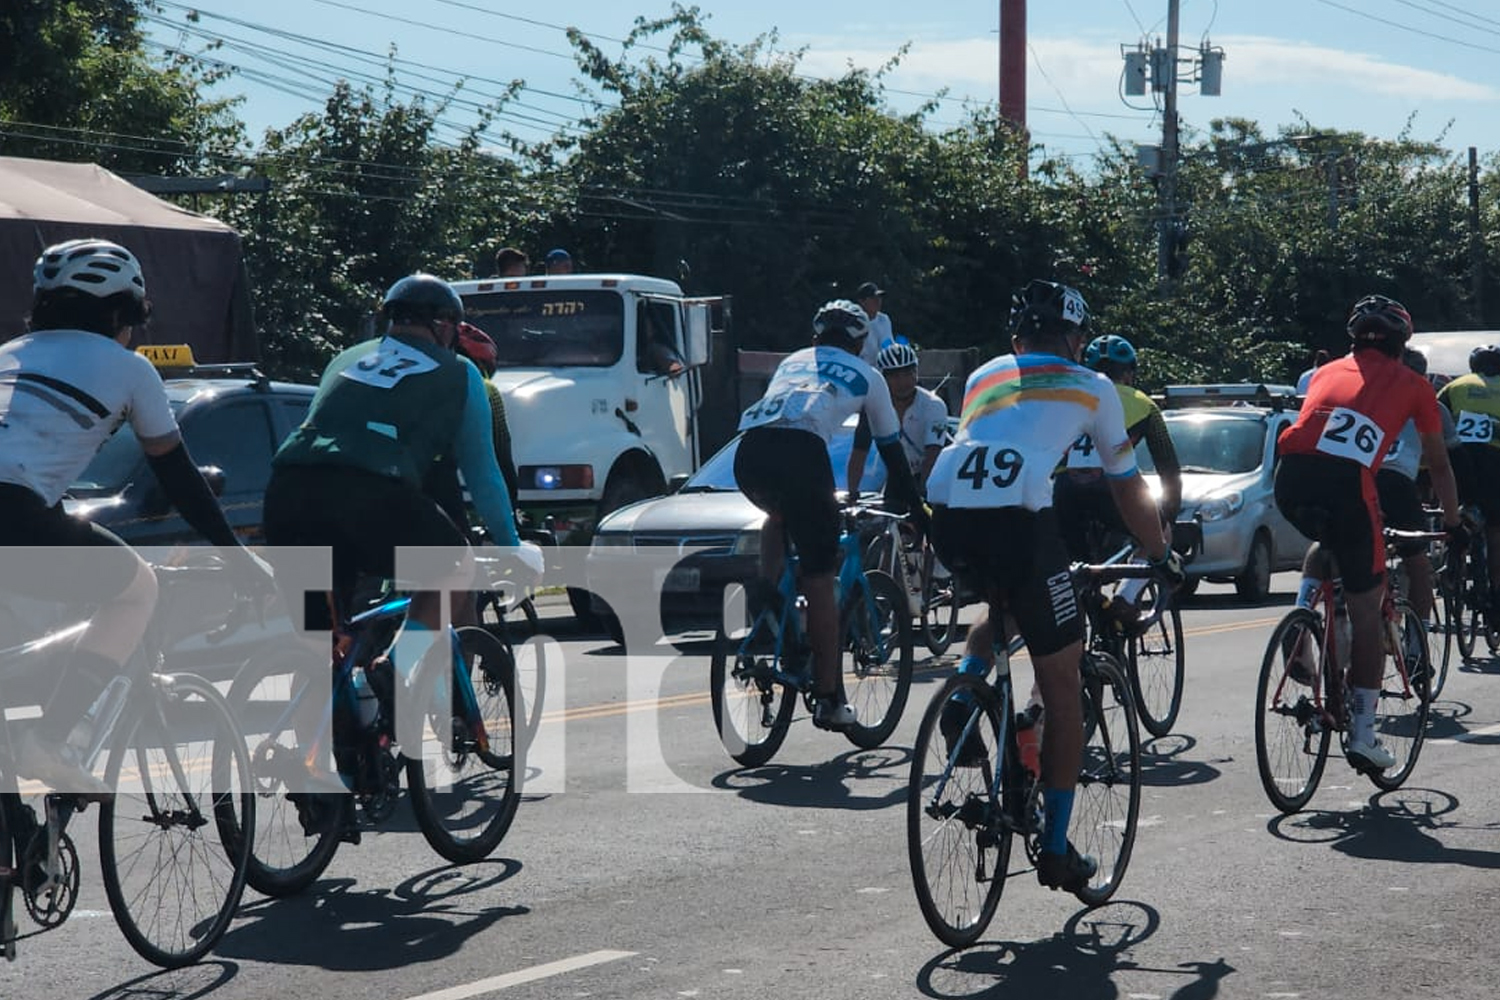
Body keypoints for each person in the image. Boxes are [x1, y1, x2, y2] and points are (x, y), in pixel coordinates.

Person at [926, 279, 1182, 893]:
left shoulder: (984, 374)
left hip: (950, 512)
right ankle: (1059, 848)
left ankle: (968, 686)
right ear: (1074, 338)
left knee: (1004, 602)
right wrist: (1158, 552)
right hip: (1022, 517)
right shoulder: (1095, 386)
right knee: (1063, 686)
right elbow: (1126, 485)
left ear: (1017, 336)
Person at [0, 238, 271, 794]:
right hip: (13, 513)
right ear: (121, 312)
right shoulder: (130, 369)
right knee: (135, 588)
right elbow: (178, 476)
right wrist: (235, 555)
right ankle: (48, 740)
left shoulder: (7, 355)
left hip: (23, 509)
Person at [263, 274, 536, 782]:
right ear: (443, 327)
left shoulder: (345, 359)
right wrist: (511, 545)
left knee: (319, 643)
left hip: (288, 492)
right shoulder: (461, 375)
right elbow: (482, 471)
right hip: (366, 492)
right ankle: (395, 664)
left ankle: (320, 781)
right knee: (454, 563)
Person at [1274, 295, 1464, 772]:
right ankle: (1363, 732)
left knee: (1328, 544)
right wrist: (1455, 522)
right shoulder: (1416, 385)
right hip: (1351, 484)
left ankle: (1302, 615)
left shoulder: (1324, 372)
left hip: (1290, 476)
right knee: (1366, 609)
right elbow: (1438, 463)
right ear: (1402, 344)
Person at [733, 299, 925, 731]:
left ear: (816, 340)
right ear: (861, 345)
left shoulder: (793, 360)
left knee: (779, 515)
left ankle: (768, 596)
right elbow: (891, 451)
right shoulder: (869, 375)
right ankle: (828, 698)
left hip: (749, 452)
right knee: (820, 576)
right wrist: (918, 510)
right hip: (802, 454)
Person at [1053, 333, 1183, 628]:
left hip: (1065, 490)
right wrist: (1169, 517)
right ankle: (1126, 597)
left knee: (1076, 570)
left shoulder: (1068, 398)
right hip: (1110, 488)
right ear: (1130, 373)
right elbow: (1169, 469)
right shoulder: (1143, 404)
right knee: (1156, 533)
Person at [1377, 348, 1454, 630]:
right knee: (1418, 565)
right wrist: (1454, 518)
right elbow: (1446, 463)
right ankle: (1416, 643)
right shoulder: (1430, 401)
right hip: (1400, 482)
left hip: (1358, 477)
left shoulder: (1370, 394)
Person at [845, 341, 949, 505]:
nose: (903, 382)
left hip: (934, 475)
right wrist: (852, 494)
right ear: (883, 378)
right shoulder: (874, 406)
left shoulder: (933, 405)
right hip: (900, 475)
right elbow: (859, 452)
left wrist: (923, 498)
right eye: (895, 376)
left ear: (916, 372)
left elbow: (932, 456)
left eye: (908, 374)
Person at [1436, 343, 1500, 606]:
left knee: (1451, 507)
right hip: (1494, 461)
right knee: (1496, 529)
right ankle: (1497, 592)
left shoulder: (1455, 386)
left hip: (1458, 458)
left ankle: (1452, 558)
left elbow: (1434, 416)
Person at [854, 281, 891, 366]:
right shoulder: (855, 322)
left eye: (879, 297)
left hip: (880, 371)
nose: (877, 301)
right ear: (861, 301)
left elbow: (888, 346)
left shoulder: (884, 320)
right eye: (872, 298)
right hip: (860, 370)